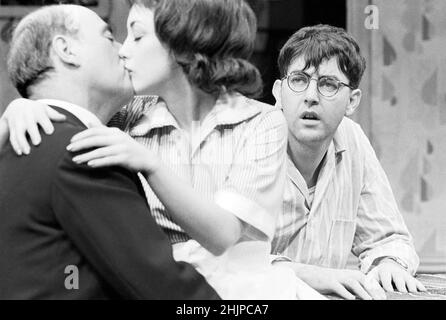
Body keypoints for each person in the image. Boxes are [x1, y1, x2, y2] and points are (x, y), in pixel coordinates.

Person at [0, 0, 301, 299]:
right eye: (117, 36)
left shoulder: (261, 121)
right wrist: (23, 104)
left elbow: (223, 234)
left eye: (137, 36)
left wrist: (152, 164)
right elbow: (74, 112)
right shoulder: (127, 116)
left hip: (236, 289)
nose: (123, 49)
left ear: (182, 42)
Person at [270, 24, 426, 300]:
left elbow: (389, 239)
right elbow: (224, 258)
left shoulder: (352, 140)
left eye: (328, 84)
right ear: (278, 92)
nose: (310, 96)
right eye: (298, 80)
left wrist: (387, 263)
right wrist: (314, 276)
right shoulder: (248, 141)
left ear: (352, 101)